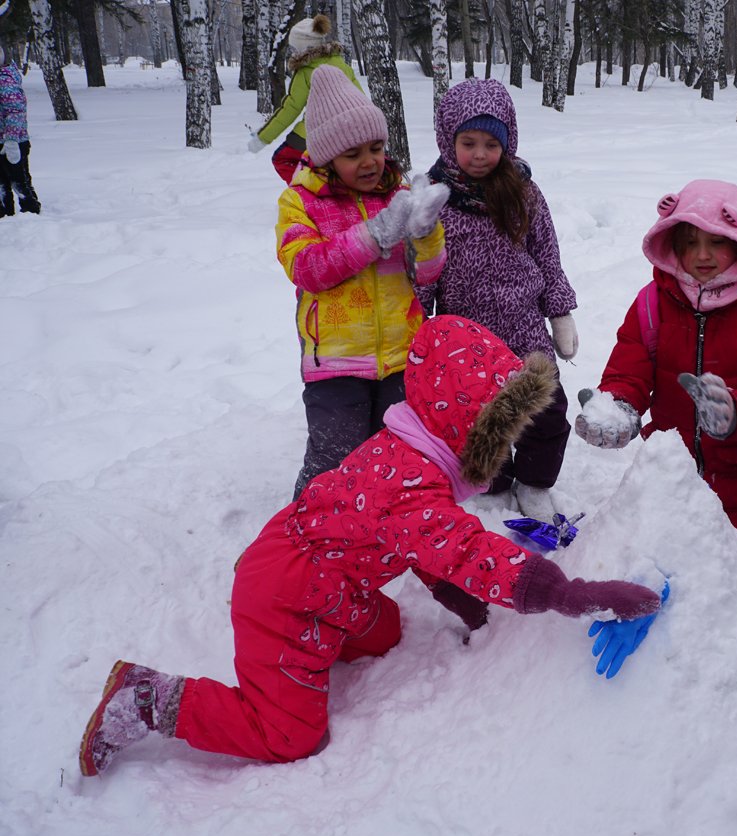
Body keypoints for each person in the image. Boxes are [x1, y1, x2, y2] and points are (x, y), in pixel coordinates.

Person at [78, 316, 663, 777]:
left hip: (323, 574)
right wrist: (565, 592)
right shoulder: (410, 488)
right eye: (498, 435)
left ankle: (314, 644)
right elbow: (462, 548)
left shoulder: (405, 451)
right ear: (465, 430)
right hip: (283, 596)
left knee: (385, 633)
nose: (506, 450)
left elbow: (421, 544)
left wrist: (450, 592)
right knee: (289, 737)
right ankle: (149, 698)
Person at [575, 179, 737, 558]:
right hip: (671, 473)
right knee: (672, 570)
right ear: (672, 246)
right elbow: (629, 368)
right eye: (690, 242)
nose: (702, 255)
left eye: (716, 242)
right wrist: (618, 405)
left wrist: (735, 413)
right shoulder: (652, 303)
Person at [277, 65, 449, 500]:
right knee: (334, 459)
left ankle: (379, 522)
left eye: (376, 147)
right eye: (353, 154)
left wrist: (427, 232)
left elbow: (426, 276)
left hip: (398, 357)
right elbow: (308, 269)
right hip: (335, 363)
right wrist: (373, 236)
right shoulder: (299, 202)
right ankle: (309, 526)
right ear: (325, 156)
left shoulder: (396, 196)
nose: (371, 161)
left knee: (394, 450)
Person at [426, 78, 578, 523]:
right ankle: (492, 483)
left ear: (508, 142)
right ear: (447, 139)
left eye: (492, 143)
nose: (479, 154)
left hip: (524, 327)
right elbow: (423, 274)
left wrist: (560, 312)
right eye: (468, 142)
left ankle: (533, 483)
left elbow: (547, 256)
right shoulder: (435, 203)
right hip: (464, 337)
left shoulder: (525, 195)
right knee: (478, 420)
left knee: (547, 415)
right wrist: (417, 331)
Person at [248, 15, 363, 184]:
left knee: (283, 159)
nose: (294, 52)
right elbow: (360, 98)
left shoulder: (306, 71)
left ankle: (310, 196)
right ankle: (330, 191)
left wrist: (262, 137)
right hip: (348, 130)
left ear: (303, 47)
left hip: (314, 132)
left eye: (295, 48)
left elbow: (291, 108)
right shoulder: (341, 64)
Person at [0, 44, 40, 216]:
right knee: (2, 184)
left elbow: (15, 111)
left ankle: (31, 213)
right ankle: (5, 214)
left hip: (13, 142)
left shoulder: (5, 80)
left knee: (19, 181)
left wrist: (11, 140)